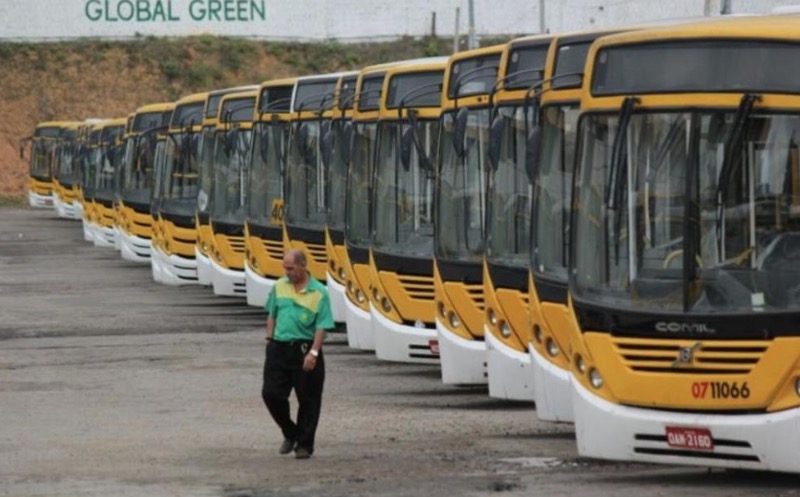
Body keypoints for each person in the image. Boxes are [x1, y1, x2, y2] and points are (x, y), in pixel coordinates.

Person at [261, 249, 334, 459]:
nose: (287, 272)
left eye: (291, 268)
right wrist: (269, 339)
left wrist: (314, 352)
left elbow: (322, 325)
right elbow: (271, 314)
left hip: (305, 349)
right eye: (285, 268)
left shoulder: (320, 293)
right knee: (271, 394)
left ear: (303, 266)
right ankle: (290, 432)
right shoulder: (279, 286)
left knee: (309, 400)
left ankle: (304, 445)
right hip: (279, 348)